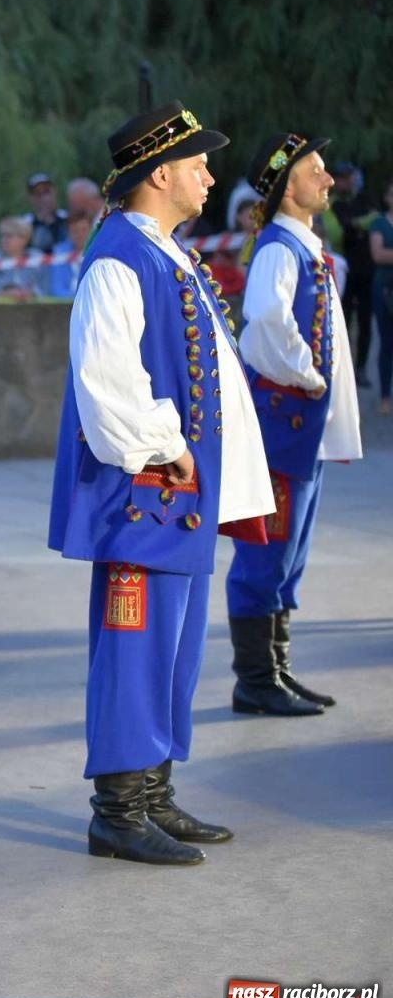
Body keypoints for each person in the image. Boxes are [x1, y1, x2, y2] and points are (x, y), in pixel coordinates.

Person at [49, 102, 273, 866]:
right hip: (147, 491)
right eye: (200, 163)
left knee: (172, 649)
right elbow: (105, 373)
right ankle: (117, 810)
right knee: (134, 647)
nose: (211, 175)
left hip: (177, 497)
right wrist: (165, 447)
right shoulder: (120, 254)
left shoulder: (163, 249)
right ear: (161, 172)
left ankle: (152, 793)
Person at [225, 133, 364, 717]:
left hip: (300, 429)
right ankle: (255, 680)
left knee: (290, 554)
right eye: (316, 170)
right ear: (286, 184)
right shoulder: (280, 249)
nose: (327, 179)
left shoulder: (300, 245)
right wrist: (308, 377)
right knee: (267, 552)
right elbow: (263, 325)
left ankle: (276, 669)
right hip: (284, 426)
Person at [327, 162, 377, 380]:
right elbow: (339, 234)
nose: (346, 181)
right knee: (342, 321)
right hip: (344, 269)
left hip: (366, 271)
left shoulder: (364, 199)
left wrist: (354, 224)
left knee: (365, 322)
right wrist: (358, 226)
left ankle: (362, 368)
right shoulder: (332, 204)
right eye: (342, 178)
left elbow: (375, 220)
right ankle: (342, 368)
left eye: (348, 177)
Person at [368, 176, 393, 416]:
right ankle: (385, 395)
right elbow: (378, 255)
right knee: (386, 343)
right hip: (384, 288)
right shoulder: (379, 223)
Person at [0, 215, 46, 302]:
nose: (4, 240)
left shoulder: (37, 258)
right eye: (2, 235)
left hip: (34, 307)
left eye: (9, 236)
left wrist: (29, 294)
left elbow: (45, 290)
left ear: (24, 239)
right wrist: (5, 294)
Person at [49, 209, 97, 298]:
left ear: (92, 230)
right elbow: (57, 288)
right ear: (68, 233)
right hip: (64, 305)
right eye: (75, 231)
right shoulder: (59, 252)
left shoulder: (100, 251)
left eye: (84, 230)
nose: (80, 235)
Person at [22, 172, 68, 252]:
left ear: (55, 193)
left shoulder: (67, 218)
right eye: (38, 194)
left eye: (47, 192)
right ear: (31, 198)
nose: (43, 198)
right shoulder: (24, 224)